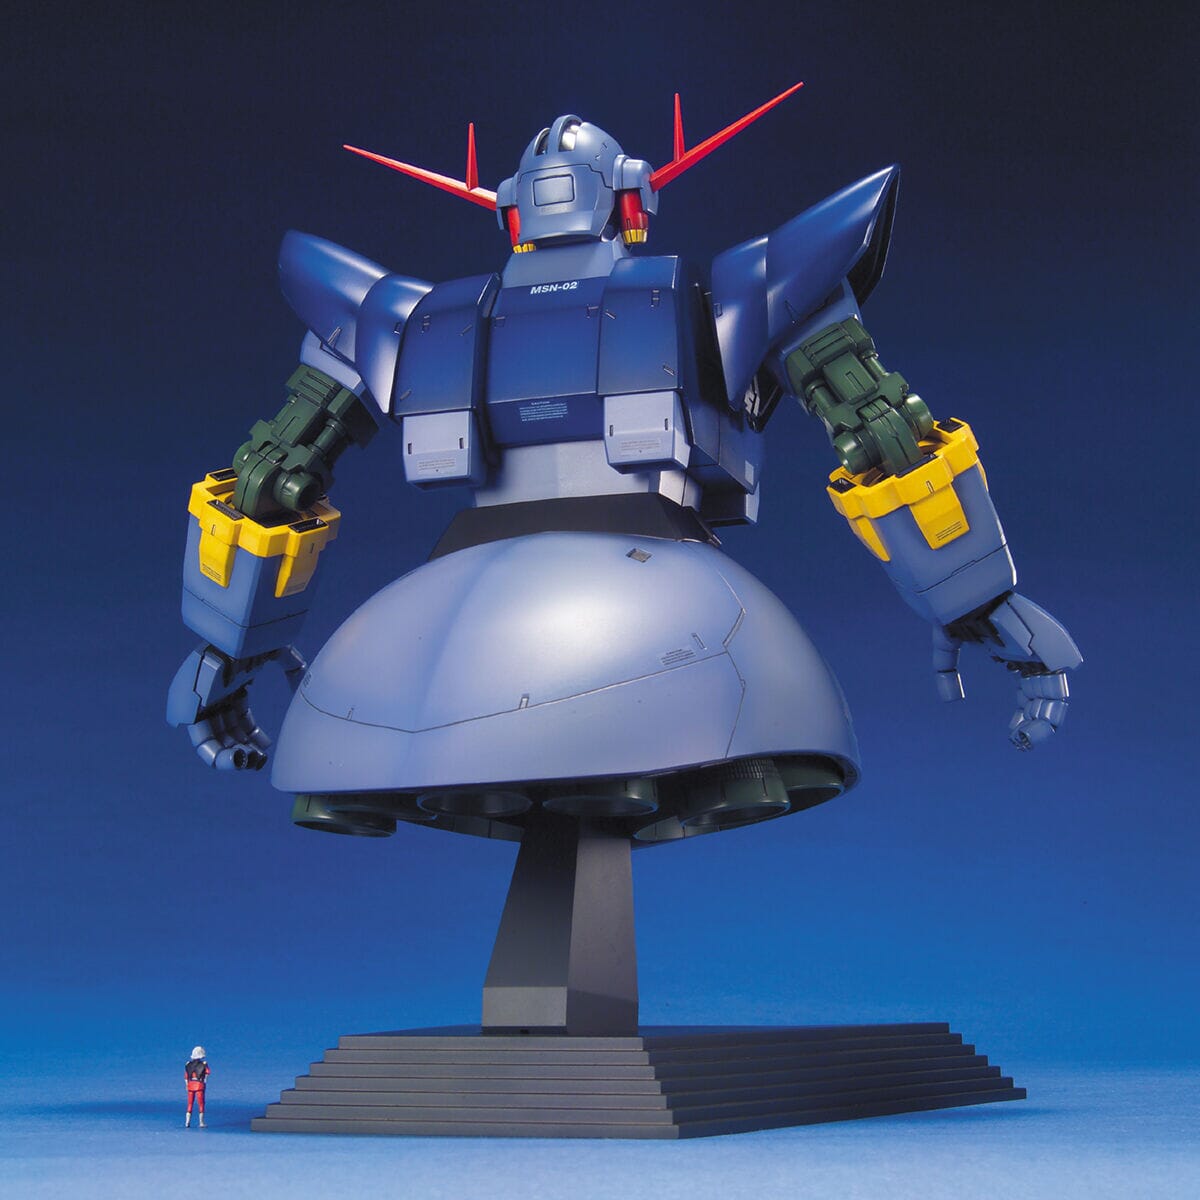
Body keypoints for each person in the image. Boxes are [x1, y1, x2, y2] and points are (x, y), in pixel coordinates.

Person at [184, 1045, 210, 1128]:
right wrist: (204, 1082)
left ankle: (187, 1122)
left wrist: (187, 1085)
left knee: (190, 1103)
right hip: (199, 1085)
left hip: (190, 1085)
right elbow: (207, 1073)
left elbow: (186, 1077)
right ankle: (201, 1122)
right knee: (201, 1104)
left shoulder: (188, 1064)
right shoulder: (204, 1064)